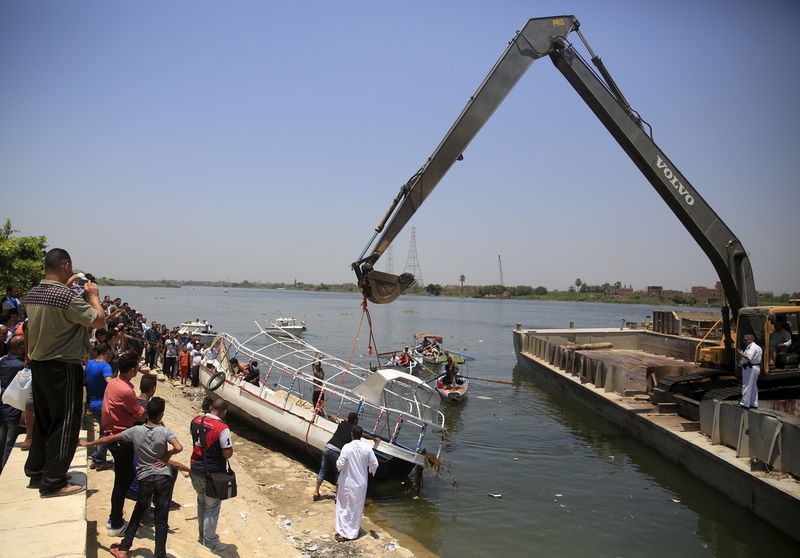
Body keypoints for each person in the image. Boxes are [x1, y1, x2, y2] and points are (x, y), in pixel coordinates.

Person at [23, 248, 105, 497]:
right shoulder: (68, 298)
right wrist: (93, 295)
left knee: (44, 420)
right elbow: (98, 320)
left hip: (39, 364)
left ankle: (37, 471)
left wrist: (68, 288)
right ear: (66, 266)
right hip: (63, 366)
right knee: (66, 422)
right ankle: (54, 481)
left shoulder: (32, 293)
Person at [81, 396, 183, 558]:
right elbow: (179, 447)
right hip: (163, 477)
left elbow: (110, 438)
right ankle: (160, 555)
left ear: (146, 413)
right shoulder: (165, 431)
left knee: (137, 514)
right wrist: (167, 455)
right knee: (161, 520)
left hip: (145, 478)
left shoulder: (135, 431)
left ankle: (124, 548)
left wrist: (89, 444)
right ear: (161, 415)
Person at [102, 352, 146, 535]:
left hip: (112, 434)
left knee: (122, 478)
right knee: (123, 480)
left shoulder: (114, 383)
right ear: (133, 369)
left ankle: (115, 516)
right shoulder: (126, 390)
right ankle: (116, 522)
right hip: (122, 438)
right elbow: (140, 414)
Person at [190, 398, 233, 551]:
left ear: (211, 407)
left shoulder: (196, 420)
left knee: (201, 503)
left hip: (195, 467)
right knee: (212, 507)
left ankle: (202, 535)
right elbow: (227, 453)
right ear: (224, 411)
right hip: (213, 473)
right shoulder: (222, 428)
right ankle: (210, 541)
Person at [312, 412, 375, 501]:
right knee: (339, 474)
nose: (358, 421)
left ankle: (316, 491)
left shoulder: (342, 422)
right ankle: (337, 497)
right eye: (357, 419)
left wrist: (343, 418)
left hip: (328, 447)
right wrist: (374, 439)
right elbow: (365, 435)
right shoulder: (354, 429)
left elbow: (333, 416)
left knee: (323, 469)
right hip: (337, 452)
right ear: (355, 420)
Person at [334, 425, 378, 541]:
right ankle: (354, 532)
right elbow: (375, 464)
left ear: (352, 434)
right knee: (356, 508)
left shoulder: (347, 447)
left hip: (349, 481)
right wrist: (368, 471)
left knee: (344, 506)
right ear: (361, 435)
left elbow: (340, 464)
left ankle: (344, 533)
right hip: (362, 483)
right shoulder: (367, 448)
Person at [85, 342, 115, 471]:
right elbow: (110, 382)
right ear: (108, 352)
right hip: (103, 404)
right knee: (106, 433)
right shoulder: (105, 366)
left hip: (92, 402)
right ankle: (99, 461)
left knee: (103, 431)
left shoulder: (90, 364)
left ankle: (96, 457)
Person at [0, 335, 25, 472]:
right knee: (11, 444)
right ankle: (4, 471)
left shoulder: (2, 361)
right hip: (16, 409)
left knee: (2, 441)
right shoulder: (21, 366)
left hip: (3, 407)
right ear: (22, 348)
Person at [738, 333, 762, 409]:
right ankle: (753, 403)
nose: (744, 341)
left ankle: (745, 403)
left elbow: (749, 357)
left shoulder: (752, 347)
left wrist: (742, 354)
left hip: (750, 368)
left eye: (745, 340)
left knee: (747, 385)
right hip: (755, 367)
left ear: (749, 340)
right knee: (753, 386)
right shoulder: (758, 347)